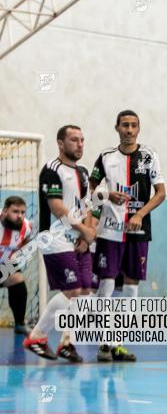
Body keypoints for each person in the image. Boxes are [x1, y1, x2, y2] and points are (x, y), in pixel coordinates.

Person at [89, 109, 166, 361]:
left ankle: (118, 343)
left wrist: (140, 214)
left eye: (134, 125)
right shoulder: (105, 157)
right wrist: (107, 195)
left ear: (139, 128)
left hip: (138, 231)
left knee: (132, 289)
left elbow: (161, 193)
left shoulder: (149, 156)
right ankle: (103, 343)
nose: (129, 130)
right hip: (110, 231)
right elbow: (91, 190)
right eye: (125, 125)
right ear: (117, 128)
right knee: (107, 285)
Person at [23, 125, 95, 362]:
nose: (80, 144)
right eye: (74, 140)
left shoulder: (83, 172)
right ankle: (37, 337)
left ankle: (67, 343)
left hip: (78, 238)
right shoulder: (51, 170)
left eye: (82, 140)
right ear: (61, 144)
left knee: (84, 292)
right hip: (55, 238)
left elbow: (88, 205)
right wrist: (84, 229)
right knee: (72, 290)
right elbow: (56, 207)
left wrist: (86, 234)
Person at [0, 196, 36, 334]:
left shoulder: (26, 227)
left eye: (22, 212)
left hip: (4, 264)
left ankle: (19, 324)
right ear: (4, 211)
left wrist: (19, 248)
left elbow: (27, 239)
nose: (20, 216)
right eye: (15, 212)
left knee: (18, 279)